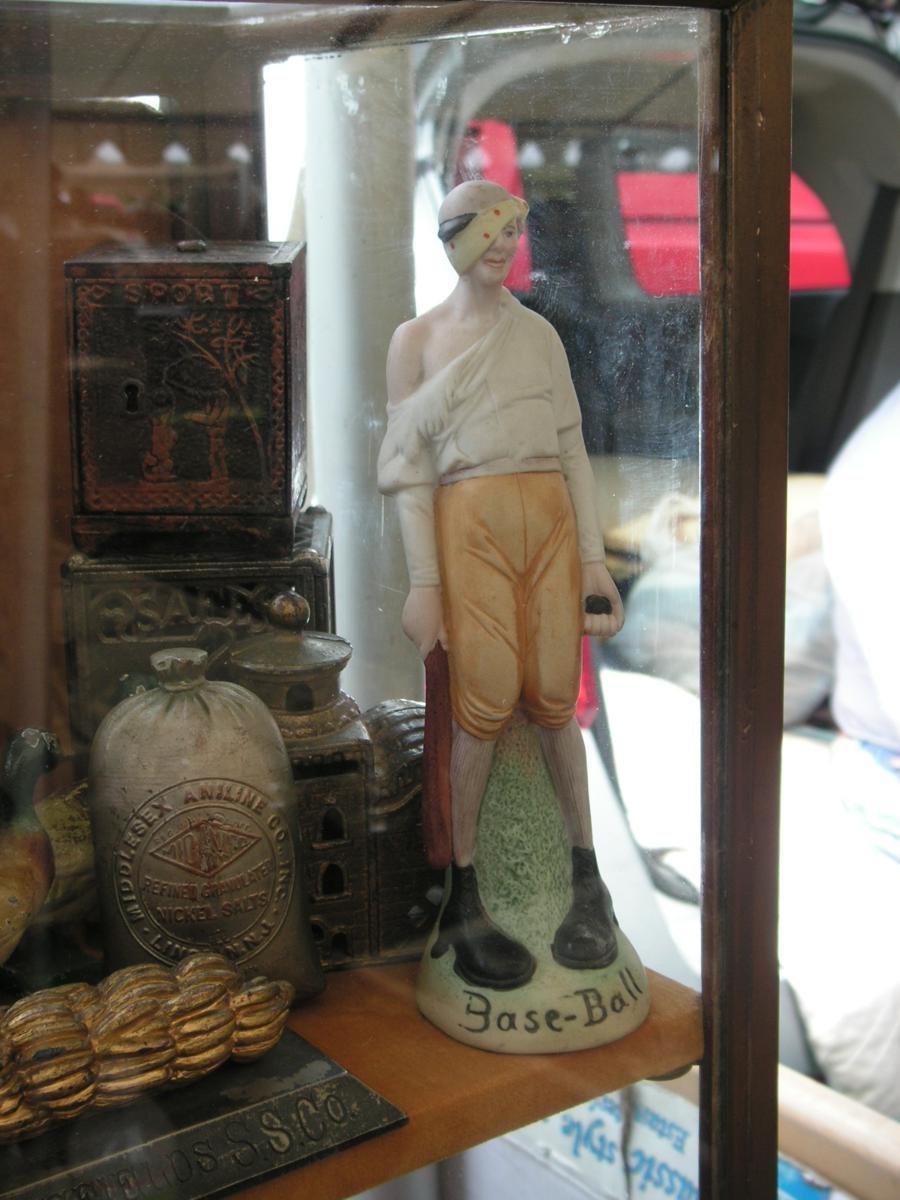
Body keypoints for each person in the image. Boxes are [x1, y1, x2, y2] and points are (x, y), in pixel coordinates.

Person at [378, 179, 624, 991]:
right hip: (469, 523)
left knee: (554, 702)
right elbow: (409, 471)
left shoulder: (539, 335)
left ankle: (587, 882)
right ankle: (467, 898)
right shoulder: (416, 341)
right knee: (479, 708)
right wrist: (425, 582)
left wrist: (592, 559)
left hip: (547, 521)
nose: (502, 246)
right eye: (487, 231)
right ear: (453, 238)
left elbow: (572, 446)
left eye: (511, 231)